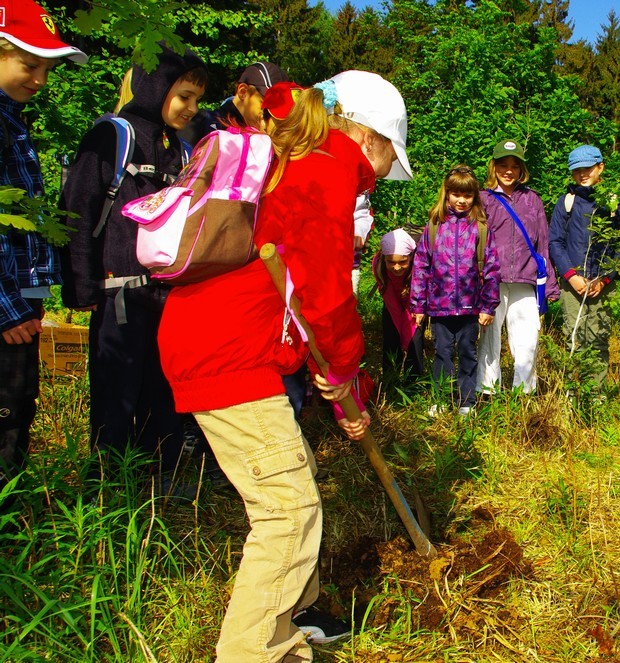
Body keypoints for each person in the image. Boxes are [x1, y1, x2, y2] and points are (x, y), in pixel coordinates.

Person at [158, 70, 410, 661]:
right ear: (370, 137)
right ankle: (253, 652)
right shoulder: (328, 164)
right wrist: (348, 372)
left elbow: (292, 280)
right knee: (287, 510)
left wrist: (341, 379)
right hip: (228, 348)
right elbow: (324, 290)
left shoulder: (294, 154)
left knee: (293, 487)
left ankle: (297, 621)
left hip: (222, 337)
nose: (375, 177)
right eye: (384, 160)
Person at [60, 45, 206, 489]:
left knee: (162, 394)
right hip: (118, 295)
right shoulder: (113, 135)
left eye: (198, 100)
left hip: (164, 298)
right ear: (155, 87)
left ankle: (156, 485)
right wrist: (82, 286)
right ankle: (106, 492)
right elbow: (77, 212)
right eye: (184, 96)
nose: (192, 108)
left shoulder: (178, 149)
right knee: (116, 399)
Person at [0, 0, 87, 500]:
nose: (40, 80)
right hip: (5, 310)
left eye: (47, 69)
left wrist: (34, 297)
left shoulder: (14, 118)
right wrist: (9, 309)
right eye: (29, 65)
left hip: (22, 301)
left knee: (19, 405)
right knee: (5, 409)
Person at [410, 166, 499, 416]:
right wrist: (418, 305)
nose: (461, 200)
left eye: (467, 195)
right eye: (456, 194)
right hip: (439, 306)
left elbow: (492, 267)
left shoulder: (480, 227)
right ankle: (439, 399)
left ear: (475, 196)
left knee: (468, 353)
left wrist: (488, 306)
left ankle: (467, 402)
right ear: (446, 194)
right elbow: (421, 265)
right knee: (442, 353)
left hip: (471, 306)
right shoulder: (435, 225)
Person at [477, 139, 557, 396]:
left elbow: (543, 242)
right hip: (492, 280)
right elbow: (475, 241)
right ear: (494, 167)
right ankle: (487, 391)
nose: (508, 171)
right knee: (489, 338)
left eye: (514, 165)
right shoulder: (483, 199)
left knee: (527, 338)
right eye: (503, 165)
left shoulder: (532, 199)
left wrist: (551, 285)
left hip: (525, 279)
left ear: (522, 168)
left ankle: (523, 393)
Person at [548, 145, 620, 395]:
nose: (583, 174)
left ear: (600, 167)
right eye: (577, 170)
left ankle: (595, 395)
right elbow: (555, 242)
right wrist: (571, 276)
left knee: (598, 339)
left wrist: (604, 280)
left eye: (588, 168)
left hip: (602, 285)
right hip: (572, 285)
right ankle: (573, 394)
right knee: (574, 338)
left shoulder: (614, 203)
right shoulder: (567, 202)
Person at [373, 228, 425, 393]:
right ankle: (390, 382)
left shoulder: (418, 266)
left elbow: (418, 293)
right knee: (391, 340)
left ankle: (413, 384)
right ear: (384, 259)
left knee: (414, 342)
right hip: (392, 305)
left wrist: (409, 329)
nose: (396, 267)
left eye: (402, 262)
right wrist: (401, 331)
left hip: (415, 305)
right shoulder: (378, 266)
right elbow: (392, 304)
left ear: (410, 257)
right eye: (391, 262)